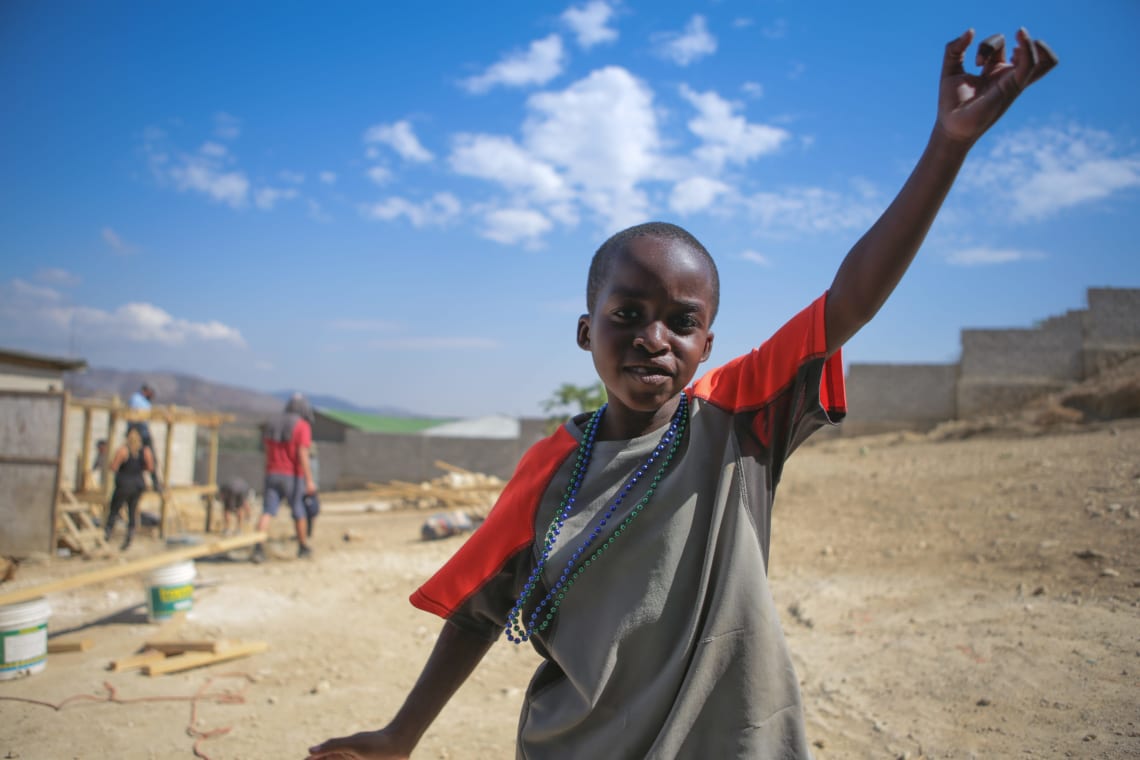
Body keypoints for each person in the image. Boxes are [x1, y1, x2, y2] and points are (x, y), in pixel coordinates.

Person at [308, 28, 1057, 760]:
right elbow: (478, 615)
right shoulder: (549, 471)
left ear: (708, 345)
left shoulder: (739, 417)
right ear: (584, 331)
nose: (652, 338)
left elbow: (850, 299)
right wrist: (400, 736)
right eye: (626, 315)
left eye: (681, 322)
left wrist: (947, 146)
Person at [251, 393, 317, 562]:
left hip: (272, 473)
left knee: (267, 511)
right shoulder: (302, 426)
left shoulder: (272, 424)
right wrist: (309, 480)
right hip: (292, 475)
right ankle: (303, 547)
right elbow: (303, 453)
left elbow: (266, 450)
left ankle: (258, 548)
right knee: (298, 510)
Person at [102, 428, 155, 551]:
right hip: (138, 484)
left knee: (114, 509)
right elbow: (150, 467)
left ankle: (107, 535)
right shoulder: (144, 451)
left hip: (124, 484)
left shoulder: (123, 450)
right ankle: (129, 537)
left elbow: (114, 466)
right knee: (132, 511)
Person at [127, 383, 162, 491]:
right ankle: (133, 482)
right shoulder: (136, 399)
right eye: (151, 393)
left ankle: (155, 483)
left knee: (150, 458)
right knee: (134, 458)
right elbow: (137, 415)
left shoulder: (146, 402)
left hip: (144, 430)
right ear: (145, 391)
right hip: (137, 430)